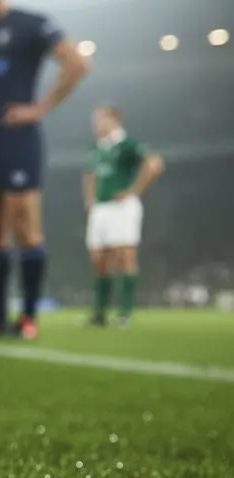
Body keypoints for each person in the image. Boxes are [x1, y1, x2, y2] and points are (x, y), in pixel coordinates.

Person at [0, 0, 88, 338]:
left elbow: (75, 62)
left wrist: (40, 107)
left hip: (17, 138)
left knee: (25, 226)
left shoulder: (32, 23)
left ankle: (28, 317)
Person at [84, 104, 164, 328]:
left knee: (125, 256)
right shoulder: (96, 148)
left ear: (114, 120)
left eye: (99, 120)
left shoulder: (129, 144)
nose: (95, 125)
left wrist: (134, 190)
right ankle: (99, 314)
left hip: (122, 208)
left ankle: (125, 312)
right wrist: (89, 200)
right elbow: (89, 175)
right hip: (101, 209)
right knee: (99, 259)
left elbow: (154, 164)